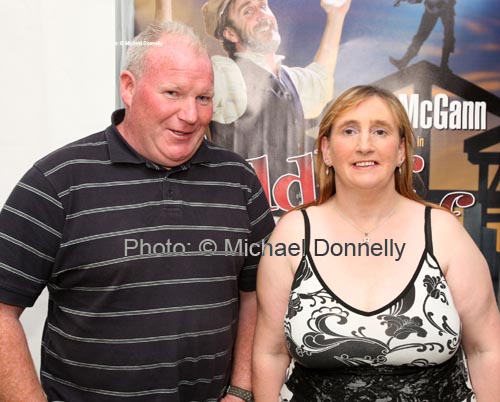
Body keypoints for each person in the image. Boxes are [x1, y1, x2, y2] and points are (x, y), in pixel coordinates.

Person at [0, 21, 275, 402]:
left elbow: (257, 294)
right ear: (128, 87)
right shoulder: (57, 182)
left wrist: (241, 390)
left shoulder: (238, 180)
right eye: (173, 93)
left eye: (203, 98)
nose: (191, 115)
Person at [252, 85, 500, 401]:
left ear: (401, 151)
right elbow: (270, 353)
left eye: (380, 131)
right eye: (349, 131)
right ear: (326, 150)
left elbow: (486, 349)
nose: (365, 145)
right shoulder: (291, 234)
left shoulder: (443, 232)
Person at [156, 0, 351, 212]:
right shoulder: (225, 73)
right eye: (248, 10)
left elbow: (320, 82)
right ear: (230, 33)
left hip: (292, 227)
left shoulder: (289, 78)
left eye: (264, 6)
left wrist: (336, 16)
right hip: (245, 229)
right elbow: (169, 65)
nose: (261, 13)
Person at [389, 0, 456, 74]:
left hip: (445, 7)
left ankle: (444, 65)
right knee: (420, 36)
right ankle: (404, 62)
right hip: (430, 8)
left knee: (449, 35)